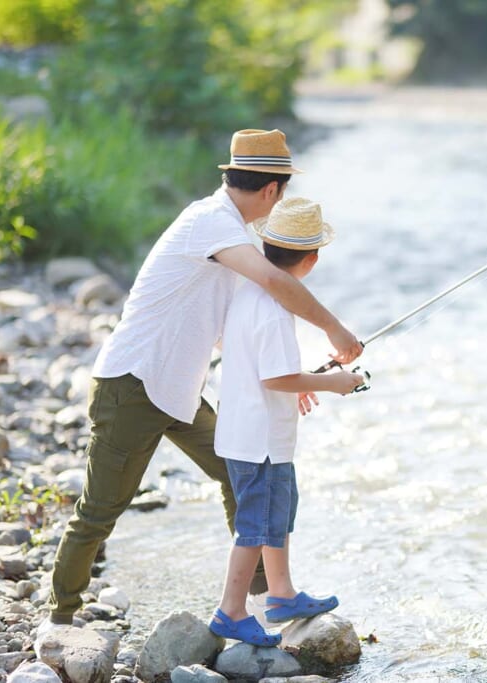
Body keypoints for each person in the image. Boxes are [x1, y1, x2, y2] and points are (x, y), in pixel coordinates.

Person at [43, 129, 363, 631]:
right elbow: (278, 284)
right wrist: (334, 328)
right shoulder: (211, 223)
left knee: (236, 468)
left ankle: (264, 597)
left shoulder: (228, 232)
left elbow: (230, 333)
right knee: (102, 507)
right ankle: (61, 616)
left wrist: (293, 378)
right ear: (271, 191)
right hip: (134, 383)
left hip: (178, 389)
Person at [209, 196, 363, 646]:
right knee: (255, 525)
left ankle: (282, 594)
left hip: (257, 433)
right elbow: (275, 376)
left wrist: (306, 382)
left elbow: (267, 370)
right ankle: (230, 611)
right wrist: (335, 382)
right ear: (311, 260)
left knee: (279, 512)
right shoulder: (275, 310)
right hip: (257, 439)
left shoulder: (250, 293)